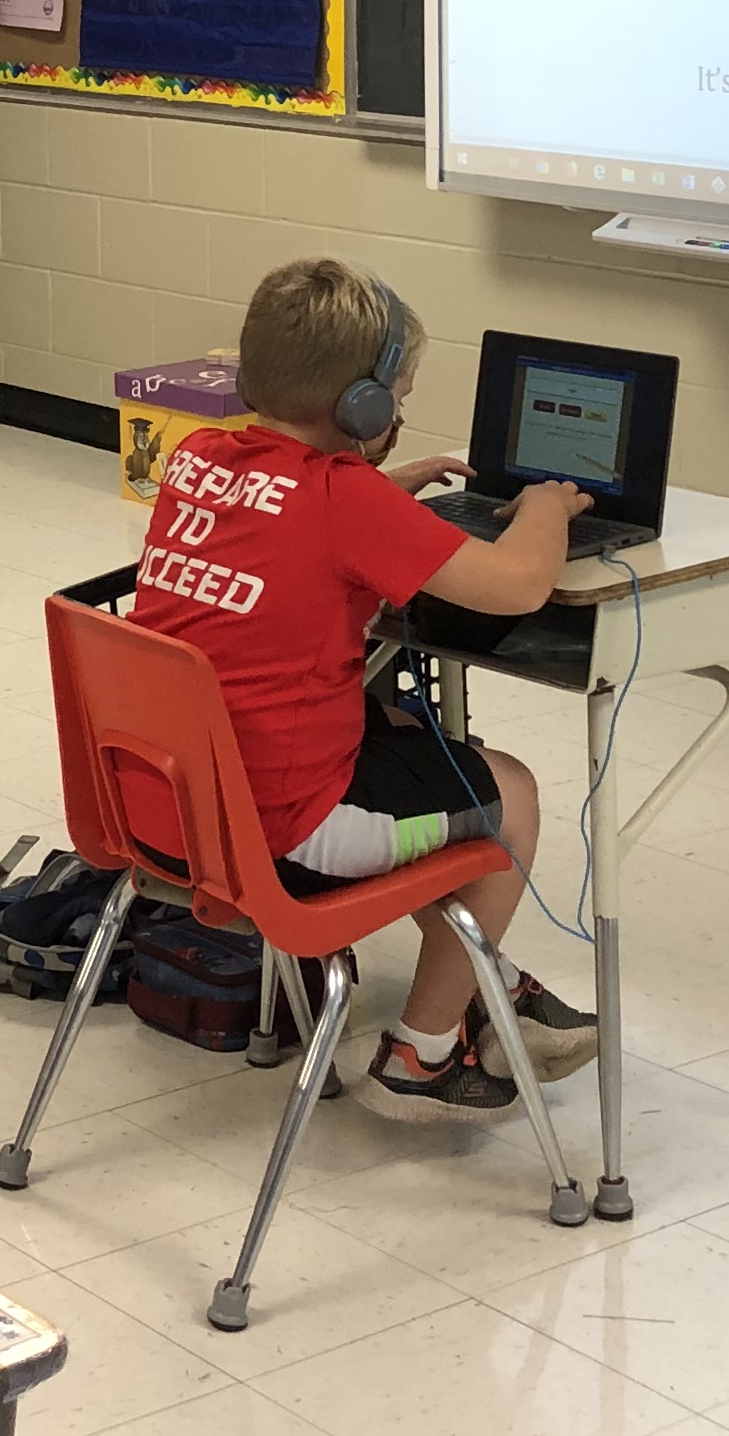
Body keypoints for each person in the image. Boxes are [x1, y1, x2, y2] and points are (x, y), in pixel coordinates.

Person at [122, 257, 598, 1113]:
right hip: (283, 838)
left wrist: (382, 490)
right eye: (399, 394)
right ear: (365, 408)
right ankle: (422, 1051)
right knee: (510, 792)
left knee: (410, 739)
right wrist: (544, 511)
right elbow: (518, 585)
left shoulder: (196, 457)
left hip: (169, 808)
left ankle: (489, 985)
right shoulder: (346, 500)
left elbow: (287, 521)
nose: (402, 411)